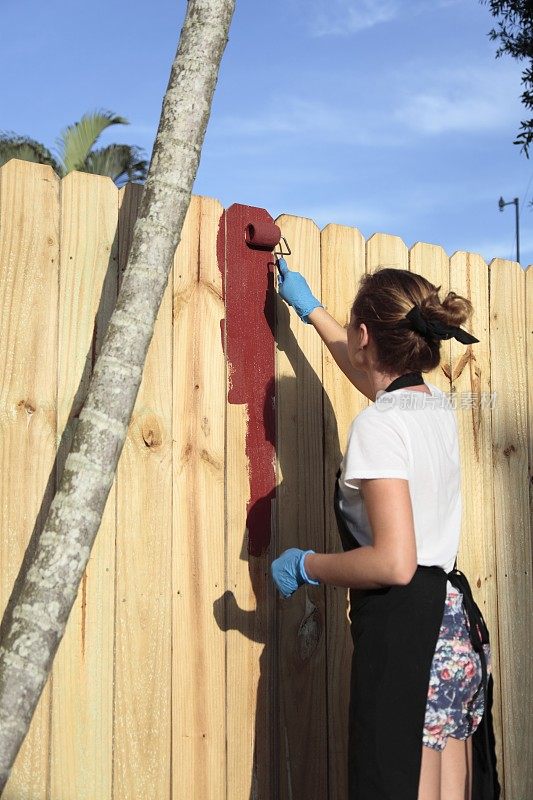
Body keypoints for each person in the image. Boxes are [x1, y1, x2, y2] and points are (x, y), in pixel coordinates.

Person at [270, 258, 500, 800]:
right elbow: (375, 379)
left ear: (366, 335)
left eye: (353, 328)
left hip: (408, 639)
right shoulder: (431, 407)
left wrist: (307, 565)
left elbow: (394, 562)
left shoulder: (378, 425)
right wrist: (314, 314)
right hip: (453, 631)